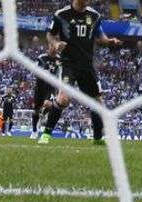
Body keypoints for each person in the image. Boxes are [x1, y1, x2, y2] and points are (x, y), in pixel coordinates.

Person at [38, 0, 123, 145]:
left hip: (86, 66)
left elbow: (100, 37)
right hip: (68, 64)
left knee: (97, 102)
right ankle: (46, 134)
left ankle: (97, 138)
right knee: (63, 99)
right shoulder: (61, 15)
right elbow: (50, 35)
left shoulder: (94, 15)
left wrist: (110, 41)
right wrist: (56, 43)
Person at [31, 43, 62, 139]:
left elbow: (60, 72)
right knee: (35, 111)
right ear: (48, 48)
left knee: (48, 104)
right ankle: (34, 130)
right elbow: (35, 70)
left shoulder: (59, 59)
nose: (53, 49)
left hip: (51, 86)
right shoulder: (41, 58)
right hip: (40, 86)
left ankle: (43, 114)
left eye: (55, 47)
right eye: (51, 47)